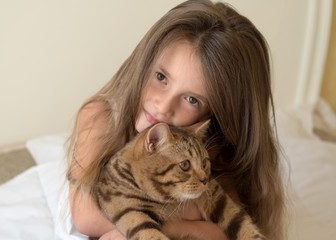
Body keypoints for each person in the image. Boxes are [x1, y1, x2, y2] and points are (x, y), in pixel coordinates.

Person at [65, 0, 286, 239]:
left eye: (192, 99)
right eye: (161, 76)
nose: (163, 106)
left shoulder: (203, 149)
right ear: (144, 62)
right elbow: (87, 219)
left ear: (214, 114)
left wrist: (168, 227)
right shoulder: (102, 115)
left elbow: (221, 235)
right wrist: (183, 217)